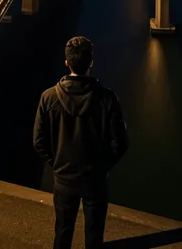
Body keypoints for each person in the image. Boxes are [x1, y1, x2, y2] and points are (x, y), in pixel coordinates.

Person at [33, 36, 128, 249]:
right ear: (91, 62)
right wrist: (102, 166)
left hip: (64, 180)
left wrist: (57, 163)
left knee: (63, 232)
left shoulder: (48, 98)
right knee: (95, 235)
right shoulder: (107, 99)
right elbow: (120, 142)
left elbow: (38, 141)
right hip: (95, 180)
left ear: (67, 63)